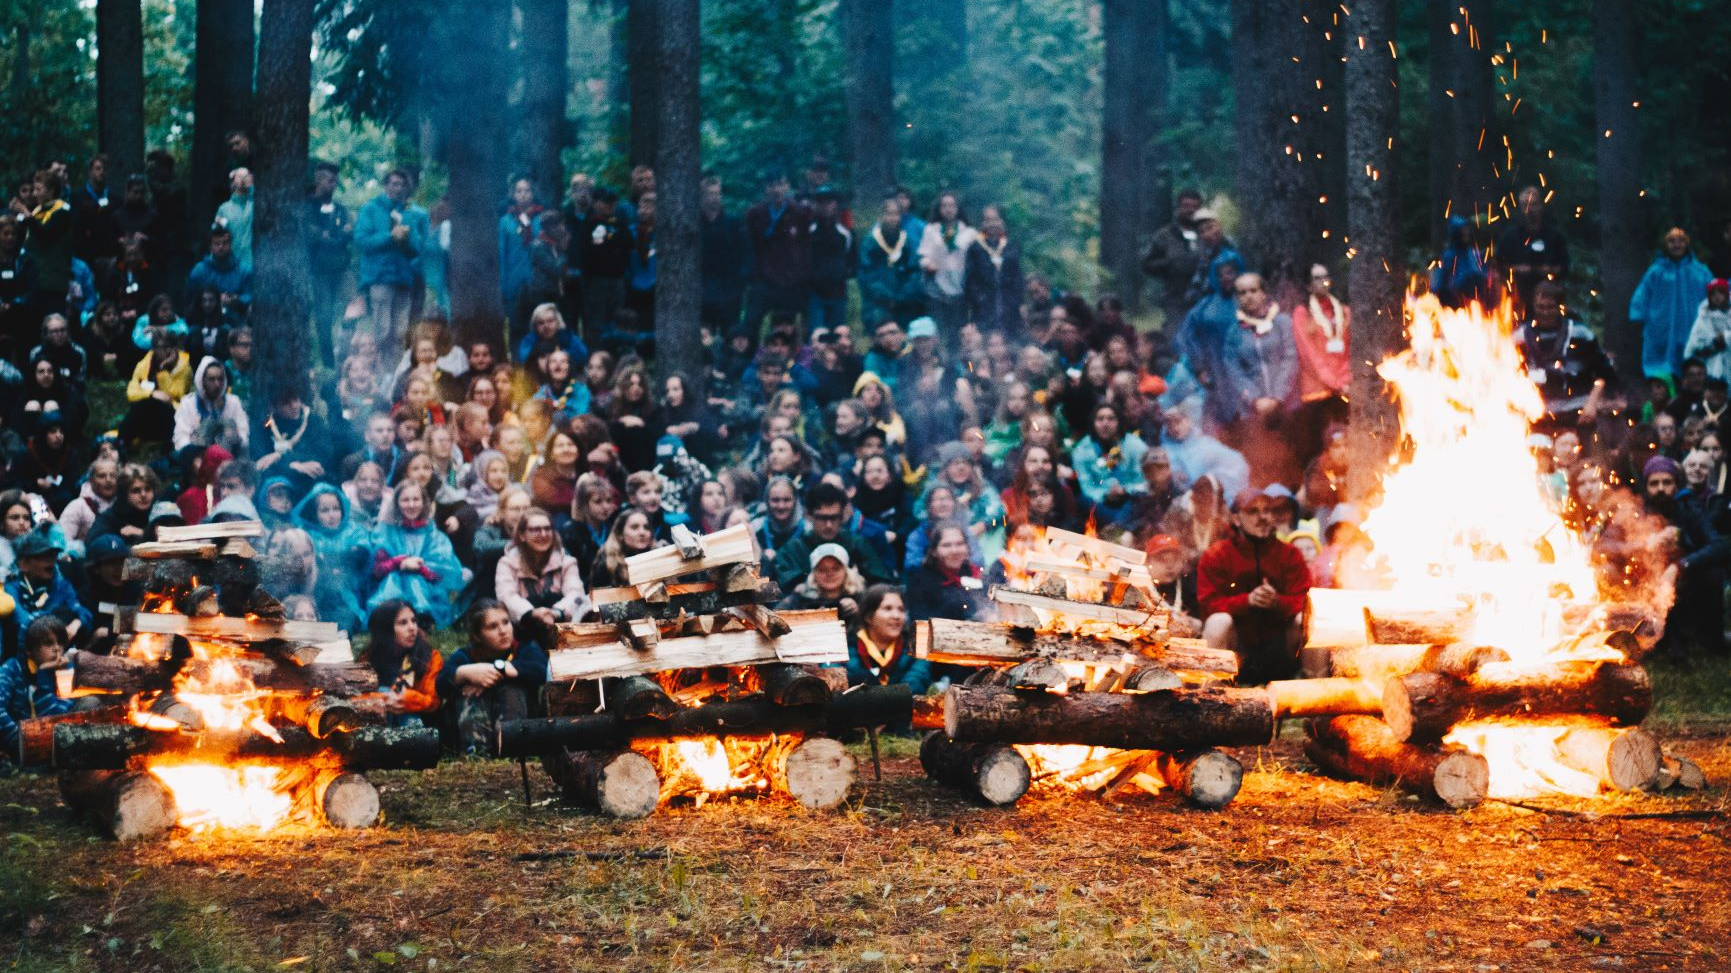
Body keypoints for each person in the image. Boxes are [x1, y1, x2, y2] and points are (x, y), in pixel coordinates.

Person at [1196, 487, 1311, 684]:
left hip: (1281, 649)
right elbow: (1208, 605)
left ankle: (1317, 696)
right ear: (1236, 519)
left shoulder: (1290, 555)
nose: (1263, 517)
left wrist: (1278, 603)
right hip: (1238, 649)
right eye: (1253, 511)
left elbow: (1306, 600)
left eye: (1267, 510)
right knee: (1218, 622)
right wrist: (1246, 601)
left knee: (1307, 619)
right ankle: (1212, 695)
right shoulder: (1217, 555)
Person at [1218, 272, 1300, 487]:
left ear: (1264, 293)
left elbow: (1291, 358)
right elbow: (1234, 371)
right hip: (1253, 410)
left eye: (1253, 290)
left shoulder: (1282, 322)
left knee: (1293, 459)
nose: (1249, 297)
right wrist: (1255, 400)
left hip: (1287, 405)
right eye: (1242, 293)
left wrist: (1277, 397)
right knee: (1263, 463)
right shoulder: (1233, 333)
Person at [435, 599, 548, 752]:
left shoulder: (524, 648)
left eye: (506, 622)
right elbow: (440, 684)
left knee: (513, 689)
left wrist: (498, 671)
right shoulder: (467, 655)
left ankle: (513, 748)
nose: (503, 631)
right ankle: (475, 751)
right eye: (492, 627)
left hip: (519, 721)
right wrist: (463, 673)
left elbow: (542, 671)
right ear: (477, 636)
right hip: (478, 725)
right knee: (467, 695)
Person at [1517, 282, 1617, 432]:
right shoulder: (1520, 337)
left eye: (1550, 307)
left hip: (1577, 412)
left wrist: (1591, 404)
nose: (1545, 312)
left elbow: (1604, 374)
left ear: (1560, 307)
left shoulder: (1580, 334)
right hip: (1536, 416)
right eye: (1540, 307)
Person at [367, 479, 463, 629]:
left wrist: (419, 568)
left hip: (426, 588)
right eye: (405, 500)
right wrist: (400, 563)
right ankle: (390, 615)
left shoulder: (432, 534)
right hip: (391, 586)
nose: (411, 505)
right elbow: (376, 569)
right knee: (394, 579)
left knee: (414, 580)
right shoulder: (385, 531)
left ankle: (422, 614)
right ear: (396, 502)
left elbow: (443, 569)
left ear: (424, 502)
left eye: (416, 499)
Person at [770, 482, 894, 590]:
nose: (828, 525)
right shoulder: (793, 550)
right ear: (809, 515)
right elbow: (781, 587)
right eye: (822, 518)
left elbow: (882, 584)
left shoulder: (857, 544)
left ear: (842, 516)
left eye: (834, 518)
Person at [355, 169, 427, 351]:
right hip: (380, 276)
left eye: (402, 185)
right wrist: (389, 236)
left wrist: (408, 239)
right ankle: (378, 372)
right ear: (385, 185)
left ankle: (394, 375)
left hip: (403, 277)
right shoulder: (371, 208)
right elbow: (361, 240)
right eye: (394, 184)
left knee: (400, 333)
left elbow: (418, 248)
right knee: (382, 330)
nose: (398, 188)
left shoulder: (408, 212)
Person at [1632, 227, 1715, 380]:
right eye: (1672, 241)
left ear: (1687, 243)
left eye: (1681, 241)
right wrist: (1639, 314)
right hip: (1662, 325)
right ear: (1666, 244)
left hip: (1692, 323)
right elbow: (1643, 294)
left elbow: (1714, 294)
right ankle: (1665, 389)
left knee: (1692, 354)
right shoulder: (1656, 271)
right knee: (1661, 360)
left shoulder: (1700, 271)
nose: (1677, 245)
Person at [495, 507, 591, 636]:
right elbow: (506, 596)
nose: (543, 534)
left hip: (561, 624)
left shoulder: (567, 562)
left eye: (547, 528)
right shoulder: (507, 563)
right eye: (535, 530)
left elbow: (575, 593)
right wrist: (533, 613)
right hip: (524, 628)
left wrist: (556, 612)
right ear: (522, 535)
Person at [741, 170, 813, 335]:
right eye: (772, 185)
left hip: (790, 282)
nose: (777, 190)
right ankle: (749, 357)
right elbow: (749, 247)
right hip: (763, 281)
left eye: (781, 184)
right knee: (751, 324)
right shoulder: (755, 214)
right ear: (766, 188)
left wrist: (801, 276)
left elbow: (805, 248)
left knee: (786, 328)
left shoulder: (799, 213)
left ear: (787, 186)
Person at [291, 483, 370, 630]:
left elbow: (361, 555)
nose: (332, 515)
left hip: (350, 592)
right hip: (315, 592)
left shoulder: (354, 530)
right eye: (324, 510)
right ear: (314, 514)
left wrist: (326, 558)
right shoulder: (308, 534)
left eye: (336, 509)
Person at [1289, 263, 1350, 452]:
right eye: (1317, 278)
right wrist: (1334, 382)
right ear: (1308, 285)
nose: (1323, 282)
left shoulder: (1344, 311)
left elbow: (1348, 350)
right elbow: (1309, 355)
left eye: (1325, 277)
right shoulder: (1303, 314)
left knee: (1346, 442)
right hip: (1317, 390)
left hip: (1345, 387)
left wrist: (1345, 381)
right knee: (1321, 447)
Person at [0, 617, 76, 761]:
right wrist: (21, 742)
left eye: (60, 642)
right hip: (16, 748)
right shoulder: (12, 669)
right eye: (48, 643)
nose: (57, 648)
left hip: (51, 749)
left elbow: (55, 719)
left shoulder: (66, 671)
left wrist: (44, 676)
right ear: (29, 650)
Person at [359, 600, 443, 728]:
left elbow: (434, 701)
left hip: (416, 722)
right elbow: (355, 696)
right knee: (381, 693)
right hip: (378, 720)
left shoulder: (429, 656)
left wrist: (406, 699)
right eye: (403, 623)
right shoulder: (369, 658)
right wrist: (382, 699)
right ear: (386, 629)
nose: (412, 628)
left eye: (414, 621)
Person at [840, 584, 930, 697]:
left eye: (901, 609)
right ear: (869, 617)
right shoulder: (844, 651)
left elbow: (914, 687)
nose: (897, 616)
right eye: (888, 608)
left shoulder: (917, 651)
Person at [6, 530, 90, 648]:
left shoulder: (62, 586)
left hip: (56, 649)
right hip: (22, 651)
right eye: (42, 557)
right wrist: (54, 628)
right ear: (23, 565)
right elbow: (21, 618)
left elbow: (82, 612)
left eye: (52, 556)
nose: (51, 561)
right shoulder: (11, 589)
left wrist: (77, 623)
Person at [1495, 186, 1571, 317]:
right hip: (1518, 298)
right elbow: (1498, 265)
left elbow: (1564, 267)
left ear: (1541, 206)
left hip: (1548, 301)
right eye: (1525, 205)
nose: (1529, 209)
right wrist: (1516, 269)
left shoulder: (1555, 236)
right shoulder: (1510, 236)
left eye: (1533, 204)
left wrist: (1548, 270)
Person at [305, 161, 353, 366]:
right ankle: (327, 364)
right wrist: (332, 235)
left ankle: (347, 359)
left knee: (351, 313)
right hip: (318, 271)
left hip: (341, 269)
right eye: (328, 179)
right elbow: (312, 235)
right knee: (323, 318)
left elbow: (348, 232)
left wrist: (330, 235)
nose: (332, 184)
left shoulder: (340, 209)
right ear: (318, 179)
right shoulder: (306, 206)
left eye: (334, 180)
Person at [858, 196, 925, 331]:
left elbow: (915, 273)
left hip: (904, 304)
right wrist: (887, 297)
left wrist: (901, 297)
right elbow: (867, 276)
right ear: (880, 216)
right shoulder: (870, 243)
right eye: (888, 214)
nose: (892, 218)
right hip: (878, 305)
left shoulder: (908, 243)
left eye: (896, 214)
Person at [1142, 188, 1206, 328]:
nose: (1190, 210)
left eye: (1195, 207)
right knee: (1176, 337)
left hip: (1204, 296)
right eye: (1186, 206)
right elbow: (1147, 264)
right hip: (1175, 297)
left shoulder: (1207, 233)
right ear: (1178, 208)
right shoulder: (1164, 235)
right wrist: (1170, 264)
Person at [917, 192, 976, 344]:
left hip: (961, 289)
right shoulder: (931, 230)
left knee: (959, 333)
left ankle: (966, 367)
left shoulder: (969, 233)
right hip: (937, 289)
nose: (948, 209)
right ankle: (939, 365)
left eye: (952, 206)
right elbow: (923, 255)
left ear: (958, 208)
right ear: (939, 209)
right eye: (944, 206)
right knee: (939, 331)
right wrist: (928, 264)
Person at [120, 329, 192, 448]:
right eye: (161, 347)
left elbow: (175, 395)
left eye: (169, 347)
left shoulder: (183, 366)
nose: (167, 351)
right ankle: (122, 442)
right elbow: (131, 392)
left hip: (172, 413)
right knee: (141, 406)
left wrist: (165, 369)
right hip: (147, 409)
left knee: (154, 406)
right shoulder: (144, 363)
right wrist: (152, 394)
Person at [902, 520, 987, 622]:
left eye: (959, 544)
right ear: (934, 551)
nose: (954, 551)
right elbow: (921, 623)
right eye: (946, 545)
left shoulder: (976, 574)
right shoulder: (920, 582)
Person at [963, 204, 1025, 338]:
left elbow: (1017, 277)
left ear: (1002, 221)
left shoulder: (1011, 246)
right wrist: (979, 299)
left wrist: (1017, 301)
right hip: (984, 307)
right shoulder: (975, 248)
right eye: (988, 220)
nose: (992, 224)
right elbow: (970, 280)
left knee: (1010, 341)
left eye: (995, 220)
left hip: (1008, 306)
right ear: (982, 223)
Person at [172, 355, 249, 454]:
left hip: (228, 456)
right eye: (211, 379)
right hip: (197, 457)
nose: (217, 384)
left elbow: (244, 435)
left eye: (220, 379)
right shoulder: (188, 403)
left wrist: (234, 437)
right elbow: (181, 438)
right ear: (202, 381)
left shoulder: (233, 402)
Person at [699, 176, 747, 333]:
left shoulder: (733, 222)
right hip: (702, 291)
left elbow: (746, 253)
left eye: (717, 194)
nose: (714, 198)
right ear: (701, 196)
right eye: (710, 194)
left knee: (730, 334)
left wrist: (739, 283)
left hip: (729, 291)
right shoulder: (693, 223)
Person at [183, 224, 252, 322]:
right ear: (210, 247)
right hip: (205, 321)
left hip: (237, 321)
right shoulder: (199, 270)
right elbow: (190, 297)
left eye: (225, 243)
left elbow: (251, 295)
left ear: (230, 244)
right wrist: (213, 298)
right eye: (217, 243)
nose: (221, 247)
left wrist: (238, 299)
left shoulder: (244, 270)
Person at [1430, 216, 1491, 310]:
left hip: (1476, 304)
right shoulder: (1449, 256)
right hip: (1454, 304)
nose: (1466, 233)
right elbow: (1440, 284)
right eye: (1463, 231)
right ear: (1456, 233)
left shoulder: (1474, 254)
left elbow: (1484, 276)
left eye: (1467, 230)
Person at [588, 506, 656, 589]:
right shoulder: (606, 564)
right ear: (620, 534)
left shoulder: (658, 557)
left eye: (646, 527)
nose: (642, 532)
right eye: (634, 527)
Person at [1684, 279, 1731, 383]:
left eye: (1720, 292)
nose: (1717, 296)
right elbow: (1694, 344)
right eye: (1713, 293)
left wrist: (1725, 337)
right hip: (1713, 367)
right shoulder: (1703, 316)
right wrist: (1713, 343)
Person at [214, 167, 254, 268]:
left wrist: (251, 188)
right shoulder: (224, 208)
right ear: (233, 182)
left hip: (252, 262)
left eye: (246, 176)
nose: (244, 179)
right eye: (240, 176)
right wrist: (217, 224)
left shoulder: (253, 204)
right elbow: (216, 232)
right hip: (231, 263)